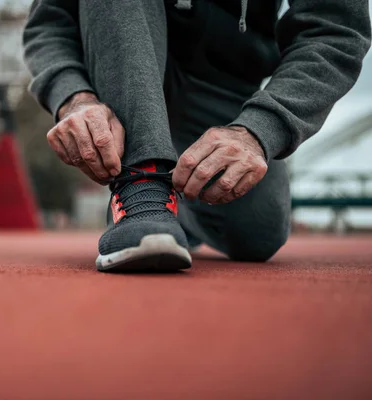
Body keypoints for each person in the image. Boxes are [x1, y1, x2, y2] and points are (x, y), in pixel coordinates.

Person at [22, 0, 371, 272]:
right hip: (122, 59)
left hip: (224, 84)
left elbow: (334, 30)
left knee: (258, 230)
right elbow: (49, 22)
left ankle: (178, 209)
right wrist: (73, 96)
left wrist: (258, 130)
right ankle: (143, 189)